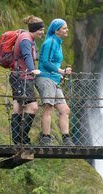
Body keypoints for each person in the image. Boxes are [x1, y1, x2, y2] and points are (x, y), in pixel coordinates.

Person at [35, 18, 74, 146]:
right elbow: (45, 62)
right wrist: (61, 71)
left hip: (54, 80)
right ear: (56, 31)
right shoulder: (50, 42)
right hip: (46, 78)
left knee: (65, 109)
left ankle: (66, 138)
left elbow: (52, 62)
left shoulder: (58, 43)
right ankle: (46, 137)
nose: (67, 30)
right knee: (48, 108)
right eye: (64, 28)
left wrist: (61, 73)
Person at [9, 16, 44, 145]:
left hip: (18, 76)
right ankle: (22, 138)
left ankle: (18, 140)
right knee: (33, 107)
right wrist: (32, 69)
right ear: (34, 29)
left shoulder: (29, 38)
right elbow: (27, 55)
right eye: (41, 30)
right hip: (22, 78)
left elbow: (34, 55)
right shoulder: (25, 40)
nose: (42, 32)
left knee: (18, 107)